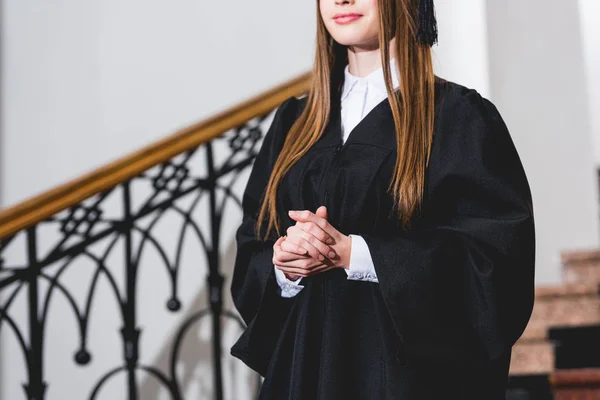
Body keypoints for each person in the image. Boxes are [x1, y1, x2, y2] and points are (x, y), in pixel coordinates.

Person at [230, 0, 536, 398]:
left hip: (402, 382)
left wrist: (354, 254)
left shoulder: (457, 118)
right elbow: (253, 243)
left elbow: (492, 263)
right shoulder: (293, 124)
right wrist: (285, 265)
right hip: (302, 374)